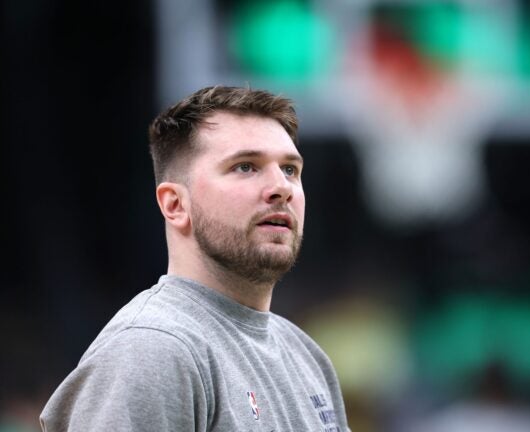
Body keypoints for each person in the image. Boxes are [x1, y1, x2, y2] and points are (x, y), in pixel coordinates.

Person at [39, 86, 350, 431]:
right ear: (175, 204)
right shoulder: (153, 350)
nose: (282, 187)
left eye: (290, 169)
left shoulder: (308, 358)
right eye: (246, 166)